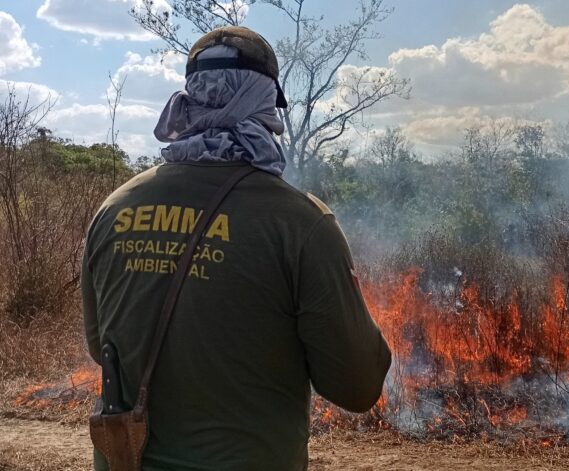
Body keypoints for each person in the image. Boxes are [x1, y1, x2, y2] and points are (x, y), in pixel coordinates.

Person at [81, 26, 391, 470]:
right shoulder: (301, 222)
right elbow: (357, 387)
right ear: (261, 100)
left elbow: (101, 347)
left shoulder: (114, 209)